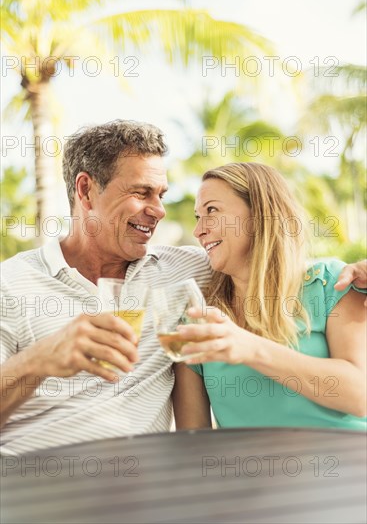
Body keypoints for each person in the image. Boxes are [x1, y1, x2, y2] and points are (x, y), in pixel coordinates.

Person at [0, 123, 365, 455]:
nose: (158, 210)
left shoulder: (187, 274)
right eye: (142, 192)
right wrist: (40, 359)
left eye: (161, 194)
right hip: (33, 480)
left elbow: (271, 265)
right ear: (86, 189)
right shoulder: (11, 284)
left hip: (146, 491)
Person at [173, 162, 366, 431]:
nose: (198, 230)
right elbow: (193, 442)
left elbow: (360, 396)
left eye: (212, 210)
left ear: (260, 214)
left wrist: (250, 348)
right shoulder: (199, 323)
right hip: (250, 473)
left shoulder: (332, 282)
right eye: (197, 217)